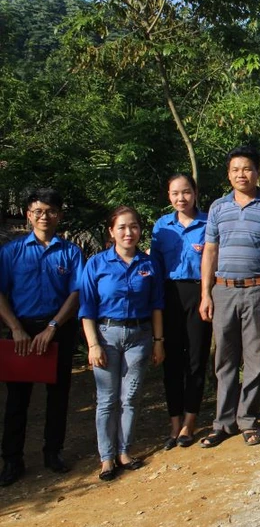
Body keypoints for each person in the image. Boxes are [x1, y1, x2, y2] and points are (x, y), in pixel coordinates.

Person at [199, 145, 260, 448]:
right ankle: (222, 422)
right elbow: (210, 252)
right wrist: (206, 294)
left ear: (257, 172)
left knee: (255, 359)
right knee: (224, 360)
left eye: (246, 168)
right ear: (228, 174)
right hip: (223, 291)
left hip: (259, 290)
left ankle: (247, 419)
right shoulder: (218, 208)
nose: (241, 174)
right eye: (235, 169)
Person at [0, 189, 84, 486]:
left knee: (58, 396)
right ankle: (12, 459)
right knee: (17, 399)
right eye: (38, 211)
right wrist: (16, 328)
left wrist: (52, 327)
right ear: (28, 214)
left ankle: (53, 452)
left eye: (50, 211)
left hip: (58, 329)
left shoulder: (71, 252)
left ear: (59, 215)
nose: (44, 216)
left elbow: (76, 293)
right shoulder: (12, 252)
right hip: (22, 330)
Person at [80, 206, 165, 481]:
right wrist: (93, 345)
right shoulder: (96, 264)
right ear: (111, 231)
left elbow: (156, 306)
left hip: (139, 337)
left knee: (130, 397)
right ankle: (106, 457)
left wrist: (158, 341)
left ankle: (124, 451)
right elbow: (87, 308)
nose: (128, 233)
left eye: (134, 227)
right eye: (122, 227)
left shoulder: (149, 264)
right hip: (106, 336)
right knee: (106, 399)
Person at [151, 173, 213, 449]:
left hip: (200, 294)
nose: (181, 198)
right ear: (168, 196)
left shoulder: (208, 223)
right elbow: (154, 268)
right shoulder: (161, 227)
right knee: (172, 364)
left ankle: (190, 421)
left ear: (195, 192)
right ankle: (174, 423)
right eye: (175, 193)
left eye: (186, 192)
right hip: (169, 296)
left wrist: (206, 295)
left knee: (196, 361)